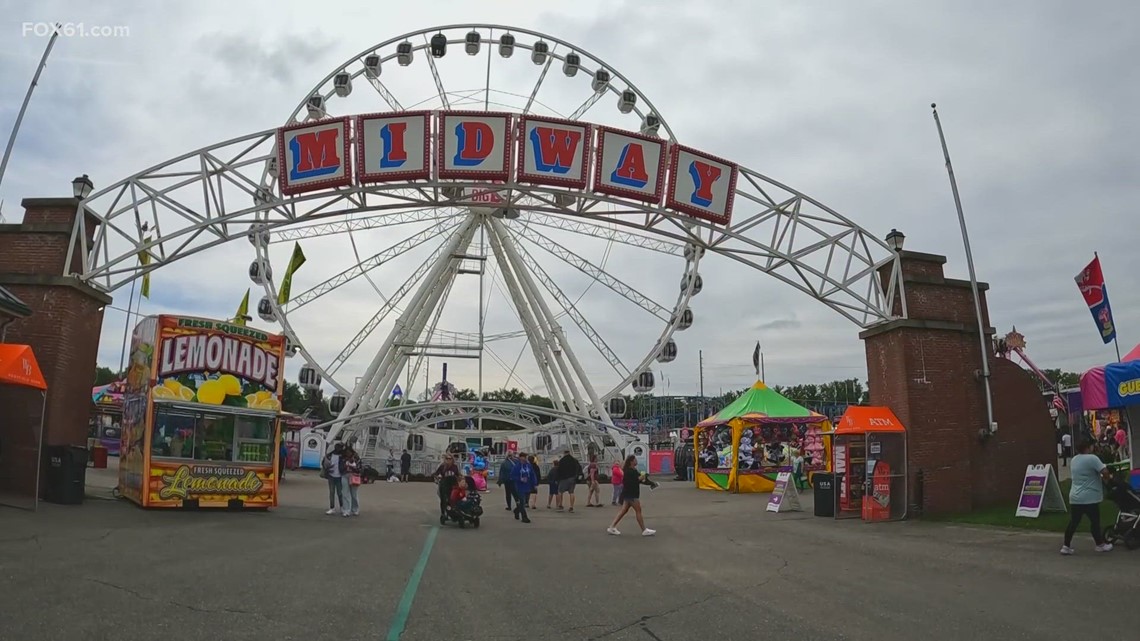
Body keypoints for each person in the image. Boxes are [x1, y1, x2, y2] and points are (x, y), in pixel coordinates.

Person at [1061, 440, 1113, 555]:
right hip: (1090, 497)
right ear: (1088, 447)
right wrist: (1108, 478)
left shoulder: (1074, 460)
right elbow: (1104, 471)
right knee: (1095, 522)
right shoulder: (1092, 458)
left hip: (1075, 496)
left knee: (1074, 522)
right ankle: (1100, 544)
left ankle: (1066, 545)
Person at [607, 455, 656, 537]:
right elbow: (632, 481)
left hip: (629, 494)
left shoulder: (633, 470)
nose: (636, 461)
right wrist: (639, 479)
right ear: (631, 461)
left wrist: (651, 483)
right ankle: (644, 530)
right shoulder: (628, 471)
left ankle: (612, 526)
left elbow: (640, 480)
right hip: (631, 494)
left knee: (624, 511)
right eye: (635, 459)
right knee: (638, 510)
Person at [510, 451, 535, 523]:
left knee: (524, 502)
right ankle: (524, 517)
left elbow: (532, 475)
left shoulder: (528, 466)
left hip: (527, 486)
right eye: (522, 459)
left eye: (524, 459)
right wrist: (519, 479)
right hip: (519, 486)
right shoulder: (516, 467)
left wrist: (534, 483)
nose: (523, 460)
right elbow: (511, 476)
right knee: (522, 501)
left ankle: (517, 510)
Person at [322, 443, 347, 516]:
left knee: (339, 493)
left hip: (339, 476)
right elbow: (323, 463)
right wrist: (327, 468)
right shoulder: (330, 455)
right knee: (332, 492)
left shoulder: (342, 456)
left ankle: (341, 507)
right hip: (332, 476)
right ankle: (333, 508)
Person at [433, 454, 461, 518]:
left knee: (454, 498)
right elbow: (436, 474)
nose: (448, 460)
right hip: (444, 485)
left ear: (452, 459)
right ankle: (443, 513)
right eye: (447, 459)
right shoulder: (442, 466)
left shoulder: (454, 467)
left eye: (450, 459)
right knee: (443, 499)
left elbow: (457, 474)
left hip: (453, 485)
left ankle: (454, 511)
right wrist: (437, 478)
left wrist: (461, 478)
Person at [343, 446, 362, 517]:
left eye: (349, 452)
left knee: (354, 494)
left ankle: (355, 509)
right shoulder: (343, 458)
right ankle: (346, 510)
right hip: (345, 475)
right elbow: (340, 467)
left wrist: (353, 467)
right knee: (345, 493)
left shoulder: (356, 458)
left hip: (354, 476)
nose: (348, 453)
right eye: (346, 452)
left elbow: (360, 468)